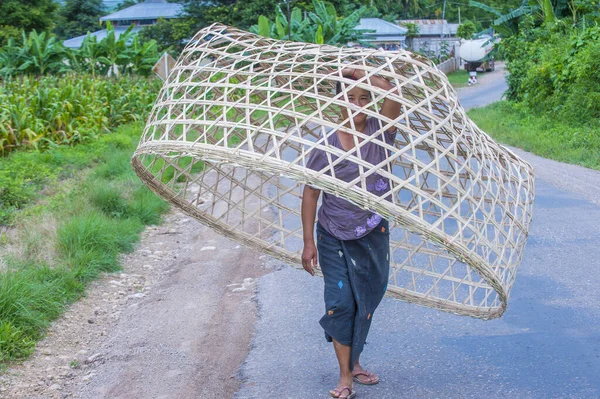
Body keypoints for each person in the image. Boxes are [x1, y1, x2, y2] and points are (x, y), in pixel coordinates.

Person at [301, 67, 402, 399]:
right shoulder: (324, 147)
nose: (357, 105)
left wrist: (359, 74)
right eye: (349, 98)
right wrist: (308, 242)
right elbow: (311, 194)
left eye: (363, 98)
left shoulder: (381, 133)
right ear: (337, 103)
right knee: (340, 302)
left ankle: (354, 361)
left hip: (372, 231)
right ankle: (345, 376)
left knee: (366, 299)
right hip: (331, 233)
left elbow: (393, 94)